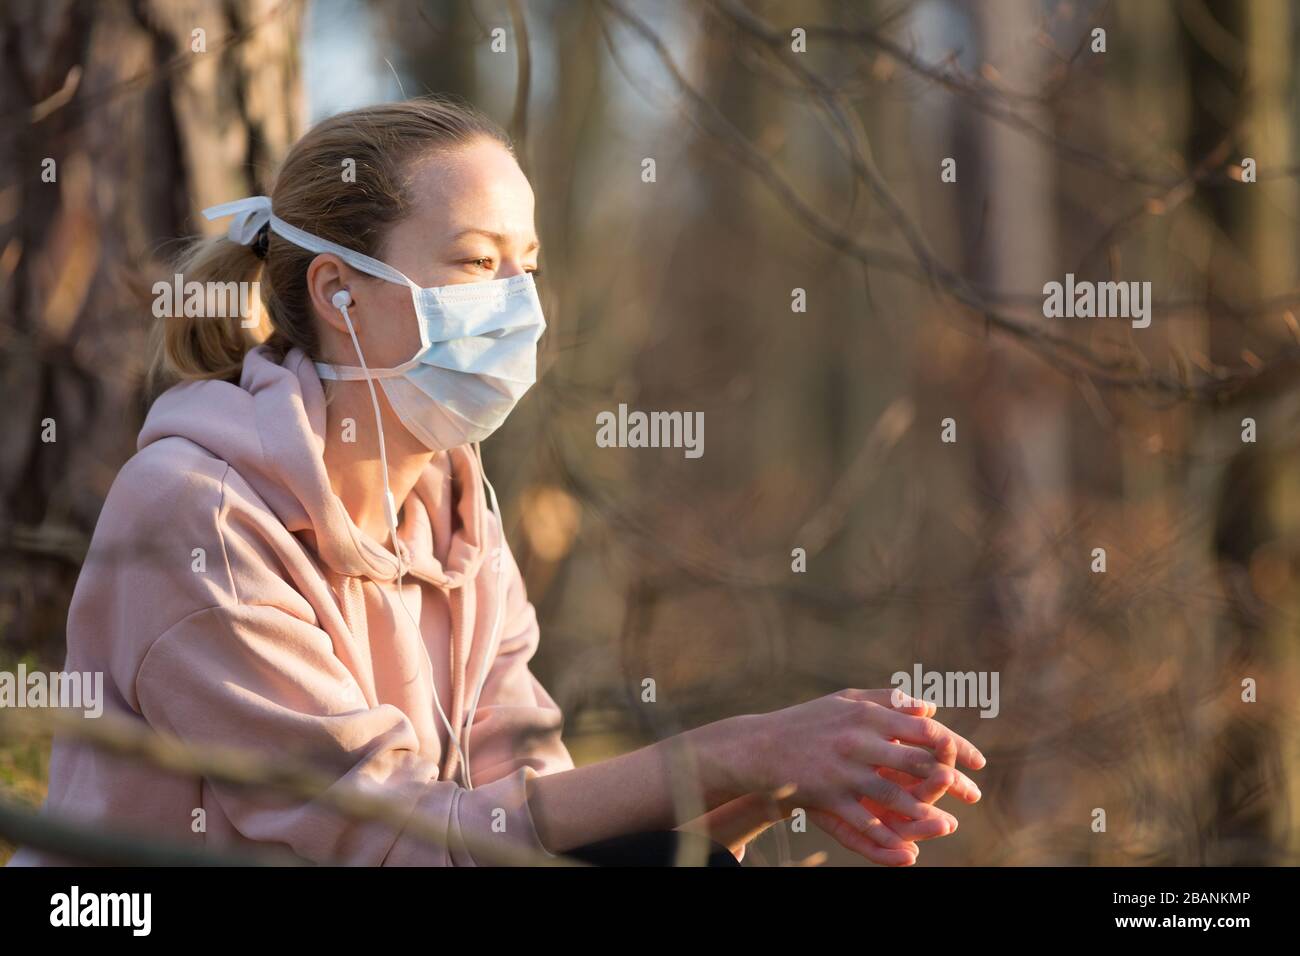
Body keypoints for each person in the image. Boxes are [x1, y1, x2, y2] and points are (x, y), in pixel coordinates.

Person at [7, 96, 984, 868]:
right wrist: (735, 749)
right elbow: (380, 834)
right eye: (476, 263)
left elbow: (521, 809)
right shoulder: (201, 512)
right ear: (339, 292)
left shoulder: (452, 500)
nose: (518, 305)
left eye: (528, 266)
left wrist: (747, 799)